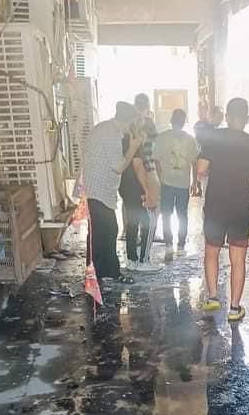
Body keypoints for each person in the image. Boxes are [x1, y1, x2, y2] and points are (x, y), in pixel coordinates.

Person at [196, 97, 249, 323]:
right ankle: (235, 308)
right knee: (238, 258)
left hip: (216, 206)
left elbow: (200, 169)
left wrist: (219, 171)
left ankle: (213, 297)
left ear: (226, 117)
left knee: (211, 251)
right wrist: (241, 174)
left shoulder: (213, 139)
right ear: (247, 119)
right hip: (241, 208)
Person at [81, 101, 141, 285]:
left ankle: (103, 272)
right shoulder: (112, 134)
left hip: (96, 189)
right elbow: (119, 167)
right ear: (129, 120)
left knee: (105, 231)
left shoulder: (106, 128)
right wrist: (133, 148)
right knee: (103, 232)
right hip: (97, 190)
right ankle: (100, 275)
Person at [119, 95, 162, 272]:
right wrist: (148, 190)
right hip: (137, 183)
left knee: (132, 221)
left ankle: (132, 260)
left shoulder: (123, 138)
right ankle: (144, 261)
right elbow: (138, 166)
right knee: (149, 221)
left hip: (125, 184)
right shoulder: (136, 141)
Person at [155, 108, 199, 260]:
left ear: (171, 121)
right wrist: (194, 182)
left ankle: (168, 245)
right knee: (182, 215)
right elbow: (194, 163)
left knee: (166, 215)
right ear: (184, 122)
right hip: (183, 183)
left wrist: (159, 178)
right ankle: (180, 246)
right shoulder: (190, 140)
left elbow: (156, 161)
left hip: (166, 182)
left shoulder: (162, 137)